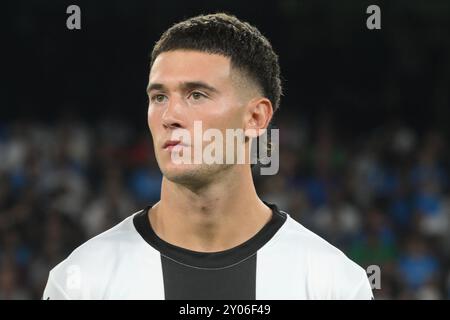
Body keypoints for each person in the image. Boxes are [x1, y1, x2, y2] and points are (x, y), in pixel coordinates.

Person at [43, 13, 373, 300]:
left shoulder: (333, 284)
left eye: (196, 94)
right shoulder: (81, 281)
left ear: (256, 118)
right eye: (159, 96)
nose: (169, 115)